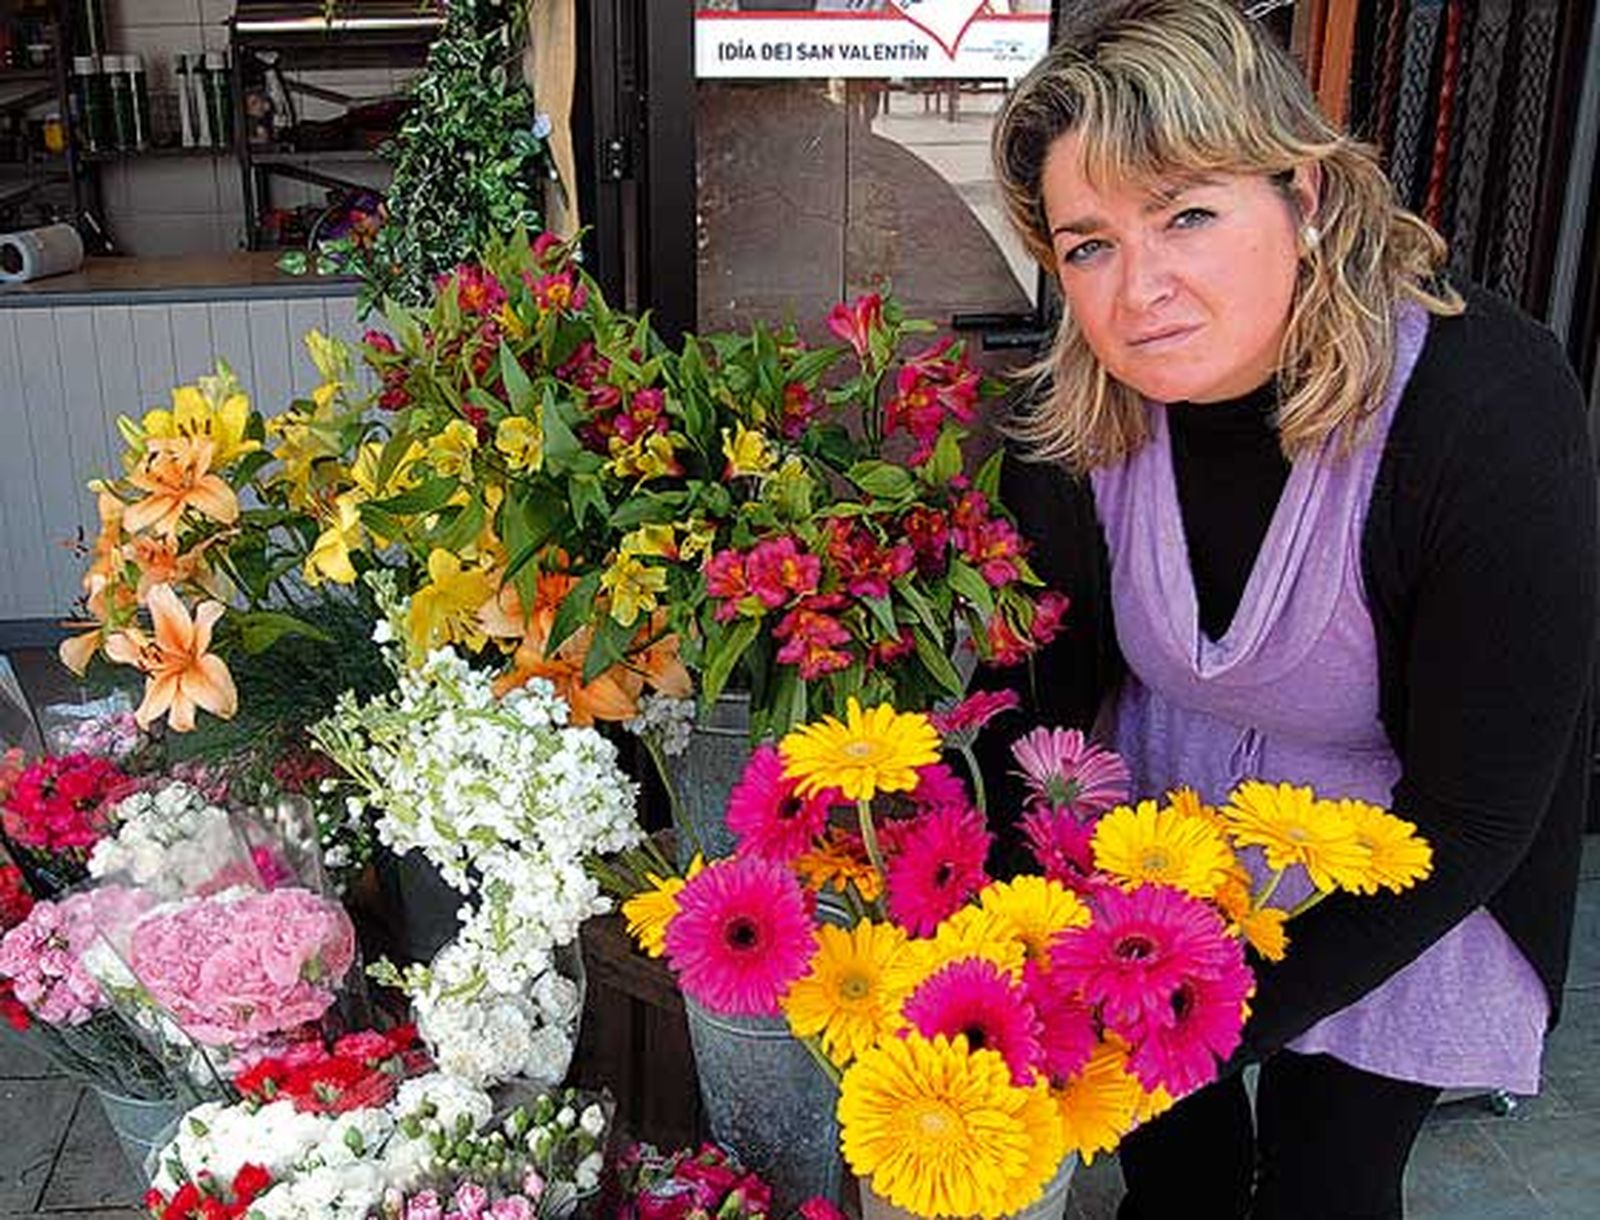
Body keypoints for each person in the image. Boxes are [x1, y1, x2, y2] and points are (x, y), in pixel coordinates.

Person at [985, 1, 1598, 1216]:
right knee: (1175, 1178)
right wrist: (1016, 934)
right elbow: (1034, 704)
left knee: (1331, 1179)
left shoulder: (1484, 408)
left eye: (1187, 215)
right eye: (1089, 244)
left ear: (1302, 195)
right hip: (1160, 826)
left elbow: (1476, 811)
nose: (1140, 289)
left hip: (1404, 852)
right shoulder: (1069, 419)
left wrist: (1206, 1023)